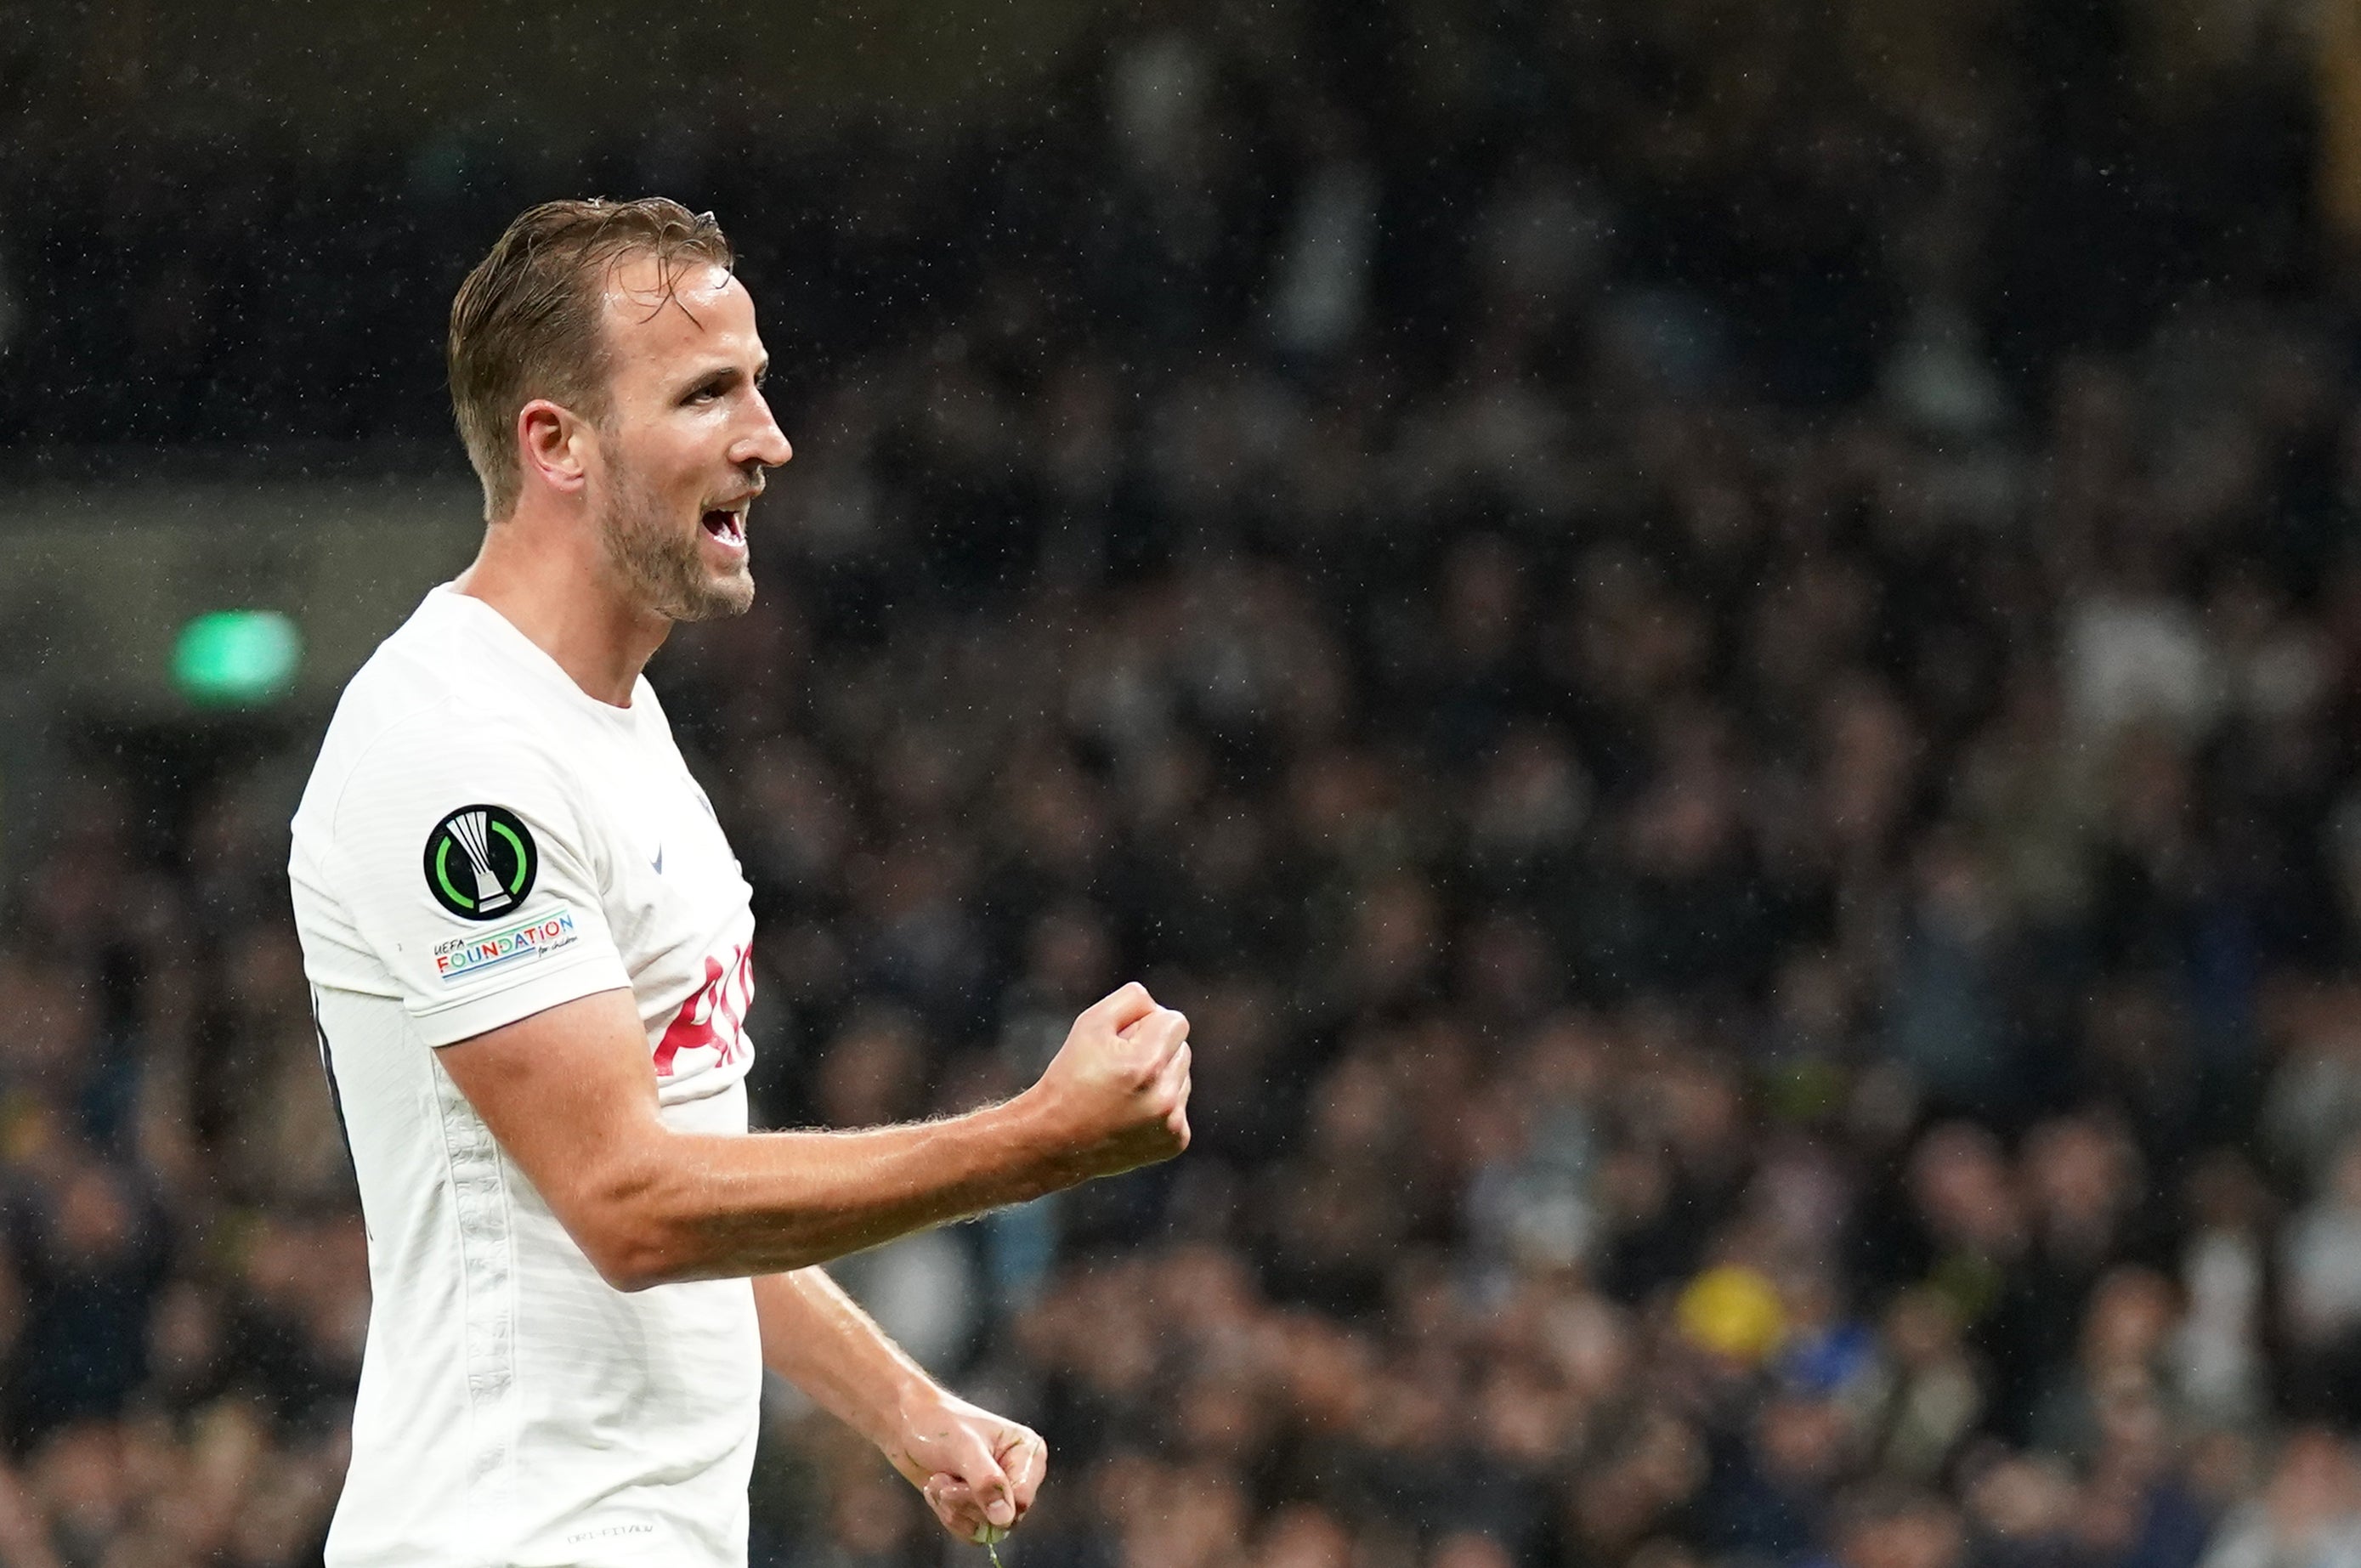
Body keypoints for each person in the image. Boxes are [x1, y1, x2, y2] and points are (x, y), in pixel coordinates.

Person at [286, 197, 1194, 1567]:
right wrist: (1034, 1142)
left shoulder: (618, 725)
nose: (769, 441)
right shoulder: (458, 756)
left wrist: (898, 1403)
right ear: (557, 445)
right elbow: (632, 1202)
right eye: (710, 394)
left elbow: (695, 1177)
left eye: (758, 387)